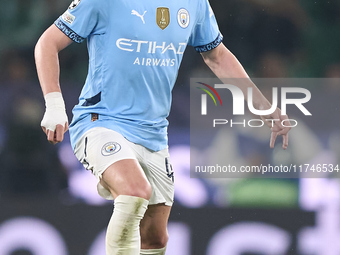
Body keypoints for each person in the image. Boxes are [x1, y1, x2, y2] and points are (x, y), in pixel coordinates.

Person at [34, 0, 291, 254]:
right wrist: (54, 104)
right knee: (135, 190)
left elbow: (217, 55)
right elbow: (47, 43)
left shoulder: (194, 3)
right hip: (101, 121)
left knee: (155, 238)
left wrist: (262, 105)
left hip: (154, 133)